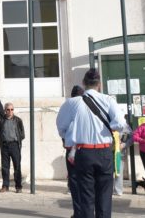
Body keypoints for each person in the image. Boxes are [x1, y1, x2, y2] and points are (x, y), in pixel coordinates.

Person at [56, 69, 126, 218]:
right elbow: (120, 123)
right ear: (99, 84)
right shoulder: (108, 100)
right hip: (104, 151)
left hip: (84, 152)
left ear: (83, 83)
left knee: (86, 198)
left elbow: (61, 128)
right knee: (104, 197)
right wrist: (107, 129)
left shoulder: (72, 103)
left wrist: (73, 135)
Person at [0, 102, 25, 193]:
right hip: (4, 145)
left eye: (12, 109)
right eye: (8, 110)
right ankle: (5, 186)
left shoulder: (18, 120)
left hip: (14, 145)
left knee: (17, 166)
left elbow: (22, 134)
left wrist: (16, 140)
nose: (10, 111)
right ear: (5, 110)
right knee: (5, 167)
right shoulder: (1, 120)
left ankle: (18, 186)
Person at [65, 85, 84, 211]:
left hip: (72, 148)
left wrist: (64, 139)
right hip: (87, 149)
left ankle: (78, 212)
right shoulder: (89, 106)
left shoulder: (68, 106)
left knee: (74, 181)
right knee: (86, 181)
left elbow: (61, 127)